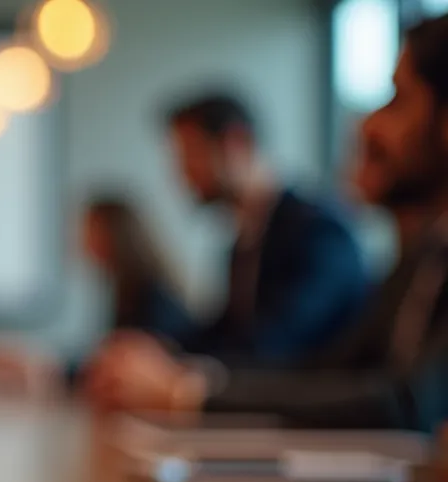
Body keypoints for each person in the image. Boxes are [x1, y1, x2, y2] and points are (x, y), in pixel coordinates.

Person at [86, 14, 448, 433]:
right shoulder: (424, 255)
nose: (368, 124)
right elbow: (324, 369)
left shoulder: (320, 235)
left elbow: (288, 357)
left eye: (399, 100)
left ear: (235, 144)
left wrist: (187, 392)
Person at [94, 91, 368, 369]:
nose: (182, 173)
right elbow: (226, 333)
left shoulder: (318, 232)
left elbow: (276, 345)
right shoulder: (245, 240)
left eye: (190, 154)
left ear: (236, 143)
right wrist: (160, 351)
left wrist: (175, 370)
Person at [0, 195, 193, 394]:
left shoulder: (153, 298)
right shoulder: (124, 292)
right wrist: (43, 366)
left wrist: (44, 369)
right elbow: (103, 362)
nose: (81, 241)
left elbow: (126, 369)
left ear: (113, 235)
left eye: (89, 230)